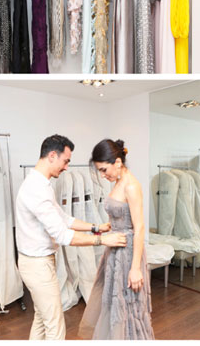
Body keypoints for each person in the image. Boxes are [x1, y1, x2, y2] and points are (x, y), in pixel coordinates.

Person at [15, 134, 127, 340]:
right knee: (55, 326)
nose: (67, 167)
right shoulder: (36, 189)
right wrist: (102, 240)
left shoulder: (42, 184)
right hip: (37, 265)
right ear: (52, 156)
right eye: (66, 161)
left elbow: (64, 218)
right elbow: (62, 235)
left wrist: (96, 227)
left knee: (42, 318)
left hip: (38, 262)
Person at [78, 139, 155, 340]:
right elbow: (122, 216)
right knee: (113, 304)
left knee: (128, 305)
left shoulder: (131, 186)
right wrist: (108, 226)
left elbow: (139, 228)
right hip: (114, 250)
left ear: (118, 162)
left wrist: (135, 268)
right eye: (100, 171)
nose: (103, 175)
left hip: (128, 253)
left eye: (104, 170)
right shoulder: (118, 182)